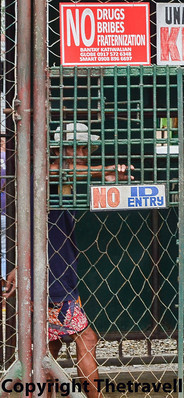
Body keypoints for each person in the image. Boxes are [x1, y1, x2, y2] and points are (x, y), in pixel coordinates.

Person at [3, 122, 134, 398]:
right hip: (51, 277)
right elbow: (64, 170)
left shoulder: (62, 182)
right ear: (64, 150)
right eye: (80, 147)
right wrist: (107, 171)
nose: (86, 153)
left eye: (86, 147)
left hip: (56, 274)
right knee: (86, 339)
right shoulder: (48, 175)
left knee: (49, 347)